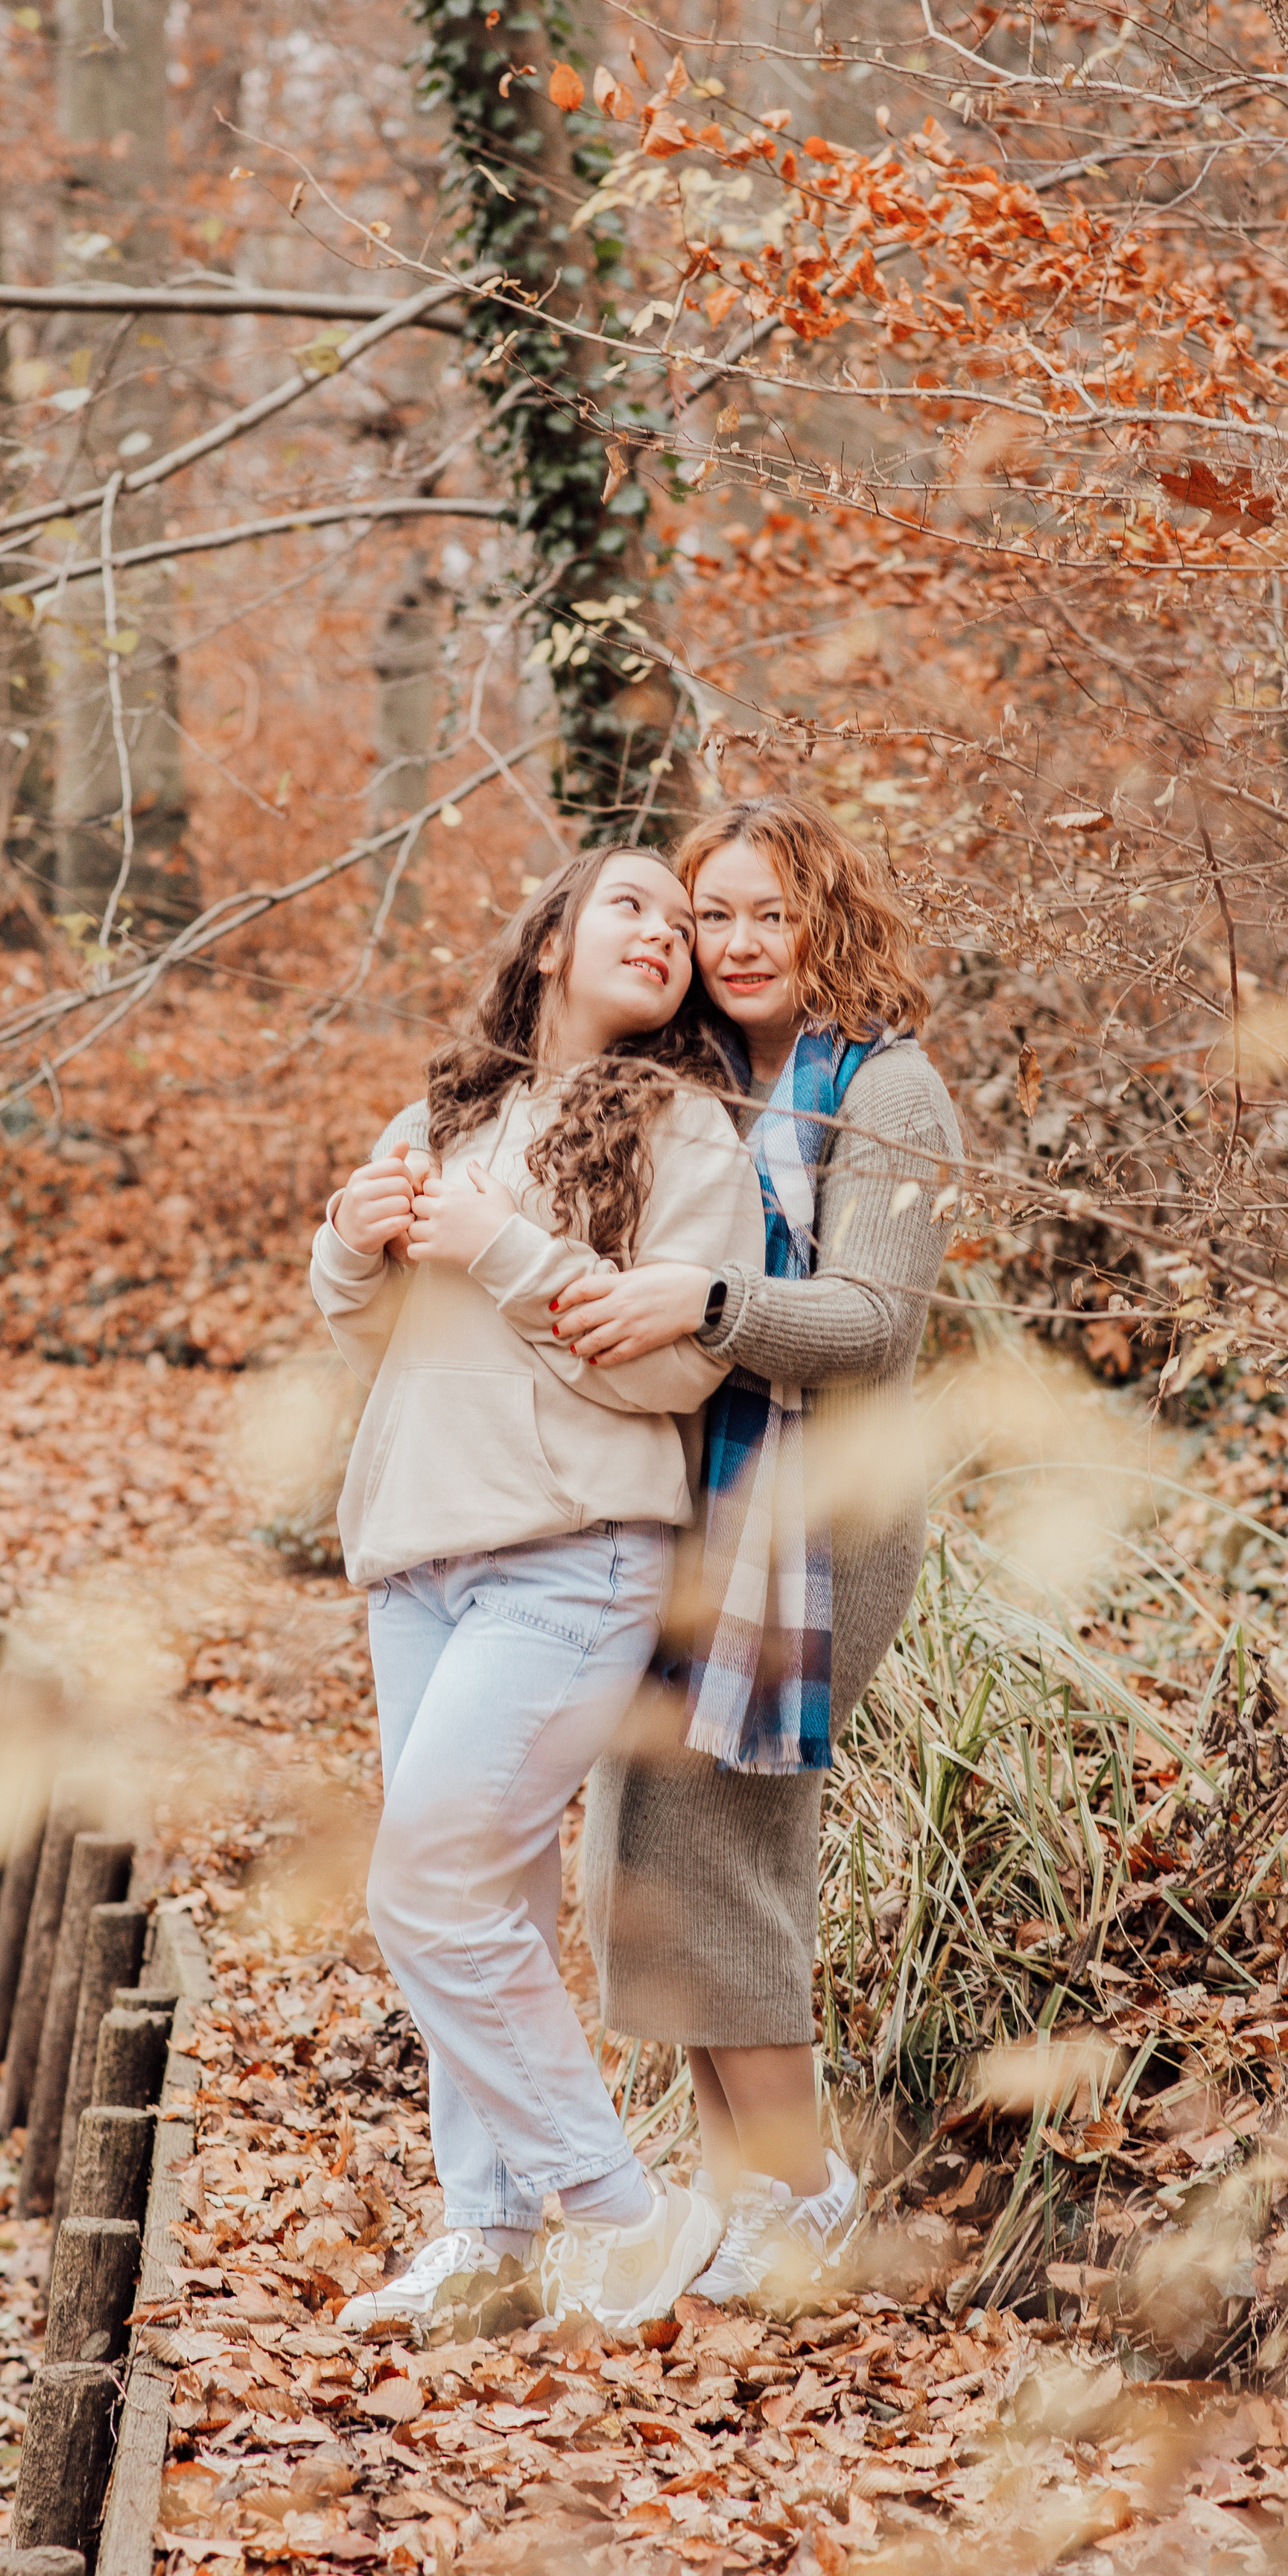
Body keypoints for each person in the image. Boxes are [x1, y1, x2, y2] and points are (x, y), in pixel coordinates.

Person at [311, 848, 764, 2338]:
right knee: (481, 1896)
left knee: (424, 1887)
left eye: (683, 925)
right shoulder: (447, 1113)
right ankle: (488, 2239)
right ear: (554, 935)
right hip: (413, 1560)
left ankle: (623, 2216)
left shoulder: (684, 1128)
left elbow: (675, 1364)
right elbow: (367, 1325)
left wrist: (497, 1246)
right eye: (631, 903)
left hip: (572, 1555)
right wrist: (354, 1239)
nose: (664, 931)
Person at [550, 798, 962, 2307]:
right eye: (708, 914)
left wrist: (702, 1307)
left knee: (724, 1850)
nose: (730, 943)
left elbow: (871, 1323)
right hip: (694, 1505)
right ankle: (741, 2195)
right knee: (649, 1852)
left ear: (823, 920)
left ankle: (808, 2196)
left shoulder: (888, 1094)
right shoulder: (695, 1081)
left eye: (762, 914)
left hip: (816, 1519)